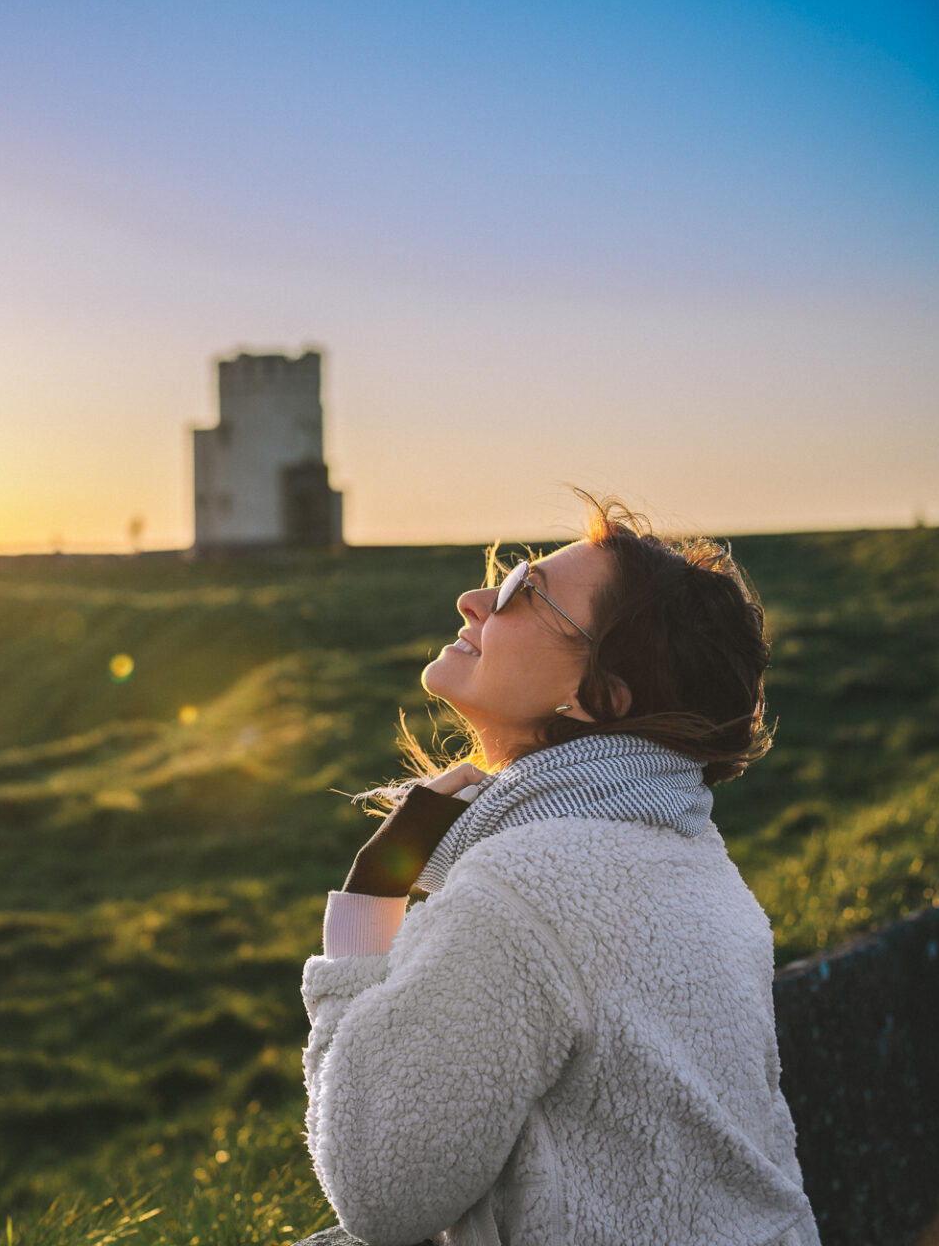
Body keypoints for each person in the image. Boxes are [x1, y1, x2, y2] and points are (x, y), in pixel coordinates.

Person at [296, 493, 821, 1246]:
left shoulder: (526, 888)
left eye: (523, 593)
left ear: (597, 696)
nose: (475, 599)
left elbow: (379, 1193)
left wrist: (371, 893)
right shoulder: (699, 865)